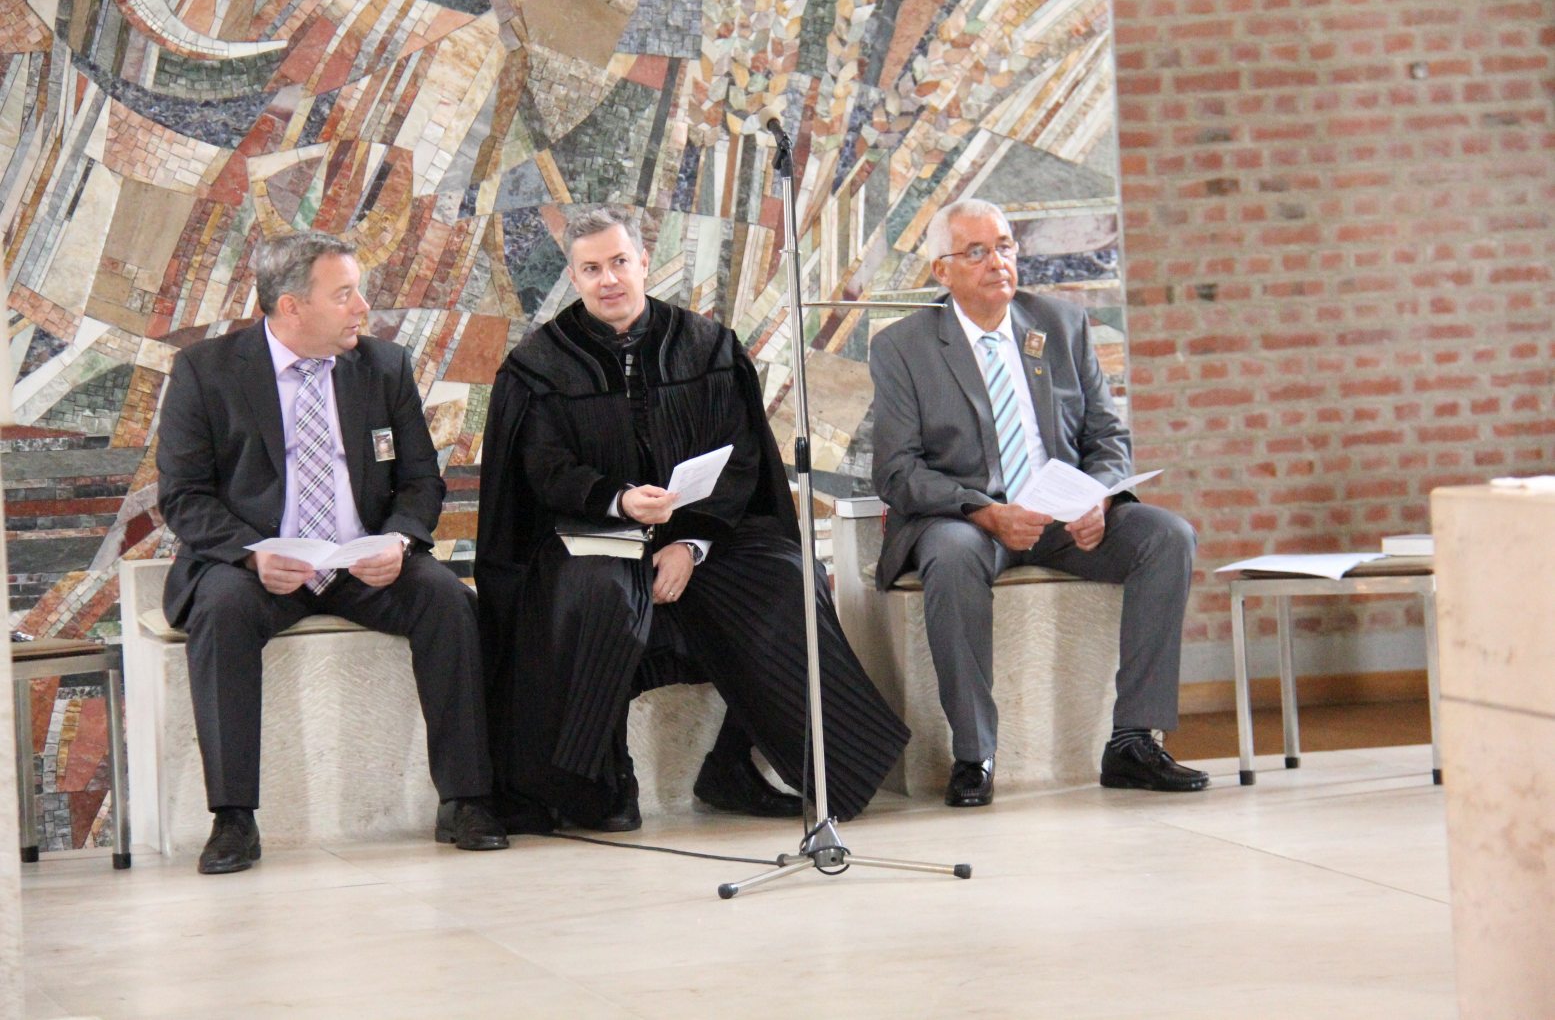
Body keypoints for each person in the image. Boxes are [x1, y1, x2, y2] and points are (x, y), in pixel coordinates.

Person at [476, 206, 909, 833]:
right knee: (600, 597)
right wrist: (619, 500)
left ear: (644, 262)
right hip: (594, 536)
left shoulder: (707, 348)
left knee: (789, 578)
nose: (608, 279)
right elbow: (544, 470)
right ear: (573, 276)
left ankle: (742, 766)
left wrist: (691, 544)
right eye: (591, 269)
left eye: (619, 262)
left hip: (702, 533)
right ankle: (600, 785)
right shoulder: (540, 366)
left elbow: (742, 460)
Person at [157, 231, 509, 873]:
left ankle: (466, 798)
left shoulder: (383, 366)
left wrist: (399, 539)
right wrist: (250, 554)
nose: (361, 307)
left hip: (362, 560)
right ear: (292, 306)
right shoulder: (206, 371)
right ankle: (233, 819)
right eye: (344, 294)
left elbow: (421, 480)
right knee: (221, 611)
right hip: (260, 565)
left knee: (449, 603)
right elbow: (183, 495)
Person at [869, 198, 1209, 807]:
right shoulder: (903, 346)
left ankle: (1133, 741)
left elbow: (1108, 437)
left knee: (1168, 536)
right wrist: (984, 511)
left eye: (1004, 246)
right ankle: (975, 753)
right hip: (969, 519)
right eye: (977, 251)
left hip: (1063, 516)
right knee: (950, 555)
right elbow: (897, 472)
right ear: (942, 271)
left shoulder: (1060, 324)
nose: (997, 262)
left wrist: (1097, 498)